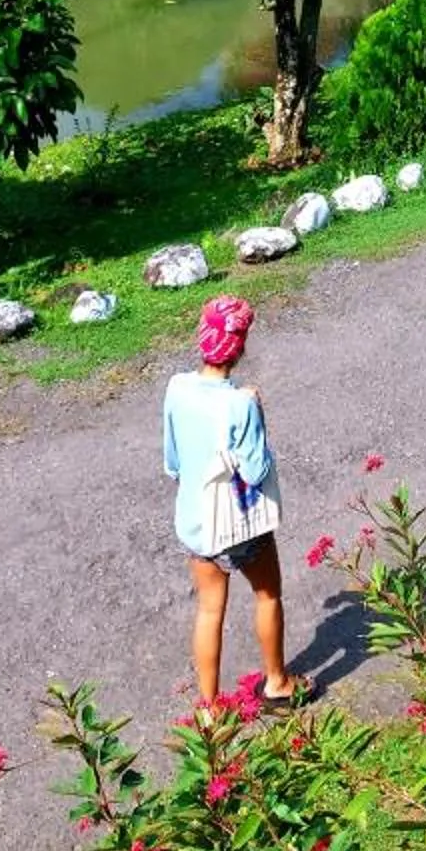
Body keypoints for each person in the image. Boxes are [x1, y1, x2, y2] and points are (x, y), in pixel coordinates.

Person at [162, 295, 299, 707]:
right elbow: (256, 471)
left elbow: (173, 462)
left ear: (203, 338)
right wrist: (258, 410)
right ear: (238, 348)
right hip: (238, 524)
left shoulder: (177, 388)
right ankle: (276, 681)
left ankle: (208, 710)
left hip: (196, 522)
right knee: (267, 595)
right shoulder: (239, 403)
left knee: (209, 610)